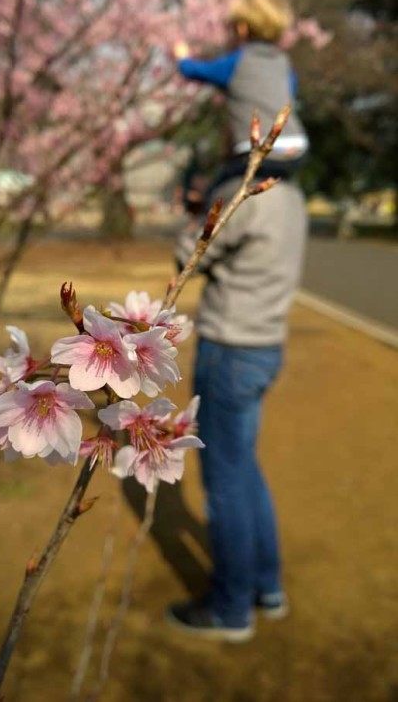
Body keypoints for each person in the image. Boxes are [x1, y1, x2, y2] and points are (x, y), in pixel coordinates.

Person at [167, 172, 307, 641]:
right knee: (244, 467)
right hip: (267, 346)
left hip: (229, 350)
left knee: (224, 481)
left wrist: (197, 211)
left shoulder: (245, 196)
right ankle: (267, 588)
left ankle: (230, 609)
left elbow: (191, 254)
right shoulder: (293, 198)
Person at [174, 0, 309, 202]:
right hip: (296, 147)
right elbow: (290, 94)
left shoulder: (238, 62)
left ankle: (204, 227)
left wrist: (181, 58)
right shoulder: (284, 64)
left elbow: (195, 71)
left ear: (242, 28)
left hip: (257, 149)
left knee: (218, 192)